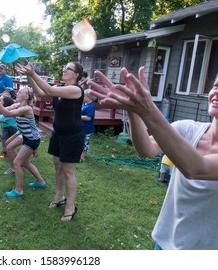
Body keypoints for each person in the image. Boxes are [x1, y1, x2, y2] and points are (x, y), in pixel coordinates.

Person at [88, 68, 218, 249]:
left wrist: (148, 109)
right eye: (216, 85)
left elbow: (195, 168)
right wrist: (132, 110)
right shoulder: (188, 129)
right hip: (164, 243)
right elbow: (146, 150)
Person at [15, 62, 85, 221]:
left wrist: (33, 74)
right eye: (64, 67)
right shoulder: (60, 86)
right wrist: (29, 75)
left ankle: (70, 206)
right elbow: (41, 92)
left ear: (76, 75)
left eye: (68, 68)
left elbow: (49, 90)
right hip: (58, 134)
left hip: (72, 136)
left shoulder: (75, 90)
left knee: (68, 171)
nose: (64, 69)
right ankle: (59, 196)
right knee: (57, 166)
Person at [0, 85, 46, 197]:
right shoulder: (18, 105)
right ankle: (40, 182)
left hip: (31, 139)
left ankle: (19, 190)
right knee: (25, 162)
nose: (17, 94)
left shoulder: (26, 108)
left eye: (19, 93)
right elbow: (5, 110)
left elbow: (7, 114)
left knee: (17, 163)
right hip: (26, 136)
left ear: (26, 97)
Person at [80, 89, 95, 162]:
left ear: (88, 97)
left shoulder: (91, 106)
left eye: (83, 96)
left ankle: (83, 156)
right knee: (81, 141)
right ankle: (79, 154)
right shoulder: (84, 104)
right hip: (81, 127)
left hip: (88, 128)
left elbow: (88, 118)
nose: (82, 97)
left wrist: (77, 116)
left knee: (86, 142)